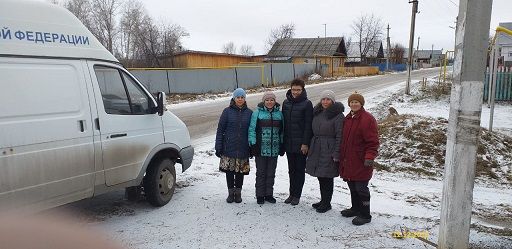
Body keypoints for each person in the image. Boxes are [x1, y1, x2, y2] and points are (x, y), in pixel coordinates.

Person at [339, 92, 379, 225]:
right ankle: (355, 208)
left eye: (357, 102)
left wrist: (369, 157)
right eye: (352, 102)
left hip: (362, 161)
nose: (354, 104)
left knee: (361, 189)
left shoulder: (367, 119)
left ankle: (365, 214)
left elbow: (372, 142)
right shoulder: (348, 118)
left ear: (361, 104)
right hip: (349, 160)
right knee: (352, 186)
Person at [306, 90, 344, 213]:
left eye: (328, 99)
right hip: (317, 146)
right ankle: (323, 200)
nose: (325, 102)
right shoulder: (317, 112)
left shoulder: (338, 115)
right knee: (320, 176)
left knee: (327, 176)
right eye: (323, 99)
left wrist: (337, 152)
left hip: (329, 148)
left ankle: (327, 203)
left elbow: (340, 135)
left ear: (333, 101)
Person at [215, 88, 253, 203]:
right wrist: (218, 145)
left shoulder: (250, 113)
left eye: (242, 97)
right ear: (234, 98)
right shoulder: (227, 111)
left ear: (245, 98)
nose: (240, 99)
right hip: (229, 147)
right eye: (238, 97)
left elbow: (252, 131)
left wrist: (252, 148)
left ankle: (238, 193)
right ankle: (231, 193)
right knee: (230, 172)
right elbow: (220, 129)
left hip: (243, 147)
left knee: (240, 172)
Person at [248, 91, 284, 204]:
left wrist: (282, 144)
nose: (269, 102)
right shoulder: (257, 113)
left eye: (272, 100)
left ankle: (269, 194)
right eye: (267, 100)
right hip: (260, 149)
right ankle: (260, 195)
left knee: (271, 173)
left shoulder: (279, 114)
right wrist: (253, 144)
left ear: (275, 101)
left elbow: (282, 131)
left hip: (274, 149)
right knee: (261, 173)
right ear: (264, 101)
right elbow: (252, 129)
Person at [282, 78, 313, 205]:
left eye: (298, 90)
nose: (295, 92)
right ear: (290, 88)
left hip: (301, 144)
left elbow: (308, 125)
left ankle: (297, 195)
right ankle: (291, 193)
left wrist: (305, 143)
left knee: (299, 170)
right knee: (291, 170)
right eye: (294, 89)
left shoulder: (307, 104)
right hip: (289, 143)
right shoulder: (286, 103)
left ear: (303, 90)